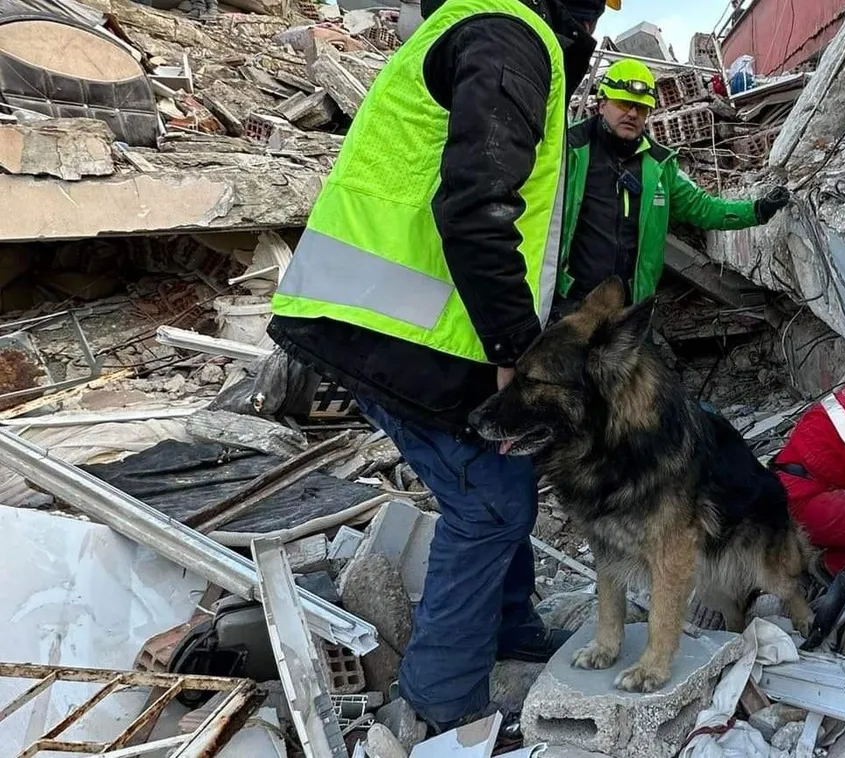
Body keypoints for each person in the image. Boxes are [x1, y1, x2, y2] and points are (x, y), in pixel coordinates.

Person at [265, 0, 617, 738]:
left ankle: (510, 630)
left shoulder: (488, 27)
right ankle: (443, 702)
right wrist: (515, 351)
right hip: (399, 330)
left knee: (506, 477)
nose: (590, 29)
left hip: (402, 318)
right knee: (487, 506)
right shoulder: (507, 35)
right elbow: (476, 207)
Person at [554, 58, 791, 313]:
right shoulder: (568, 150)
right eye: (623, 104)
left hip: (629, 310)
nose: (632, 114)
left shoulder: (659, 165)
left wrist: (757, 210)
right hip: (571, 303)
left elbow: (702, 208)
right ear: (602, 104)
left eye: (641, 108)